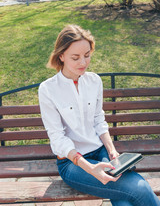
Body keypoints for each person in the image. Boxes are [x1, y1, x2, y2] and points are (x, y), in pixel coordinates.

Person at [38, 24, 160, 206]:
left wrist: (112, 151)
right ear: (61, 56)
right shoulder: (48, 90)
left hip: (100, 151)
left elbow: (98, 120)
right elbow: (57, 138)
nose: (83, 63)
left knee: (124, 202)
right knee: (139, 188)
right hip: (72, 164)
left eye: (87, 55)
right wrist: (90, 168)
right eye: (75, 57)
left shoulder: (94, 81)